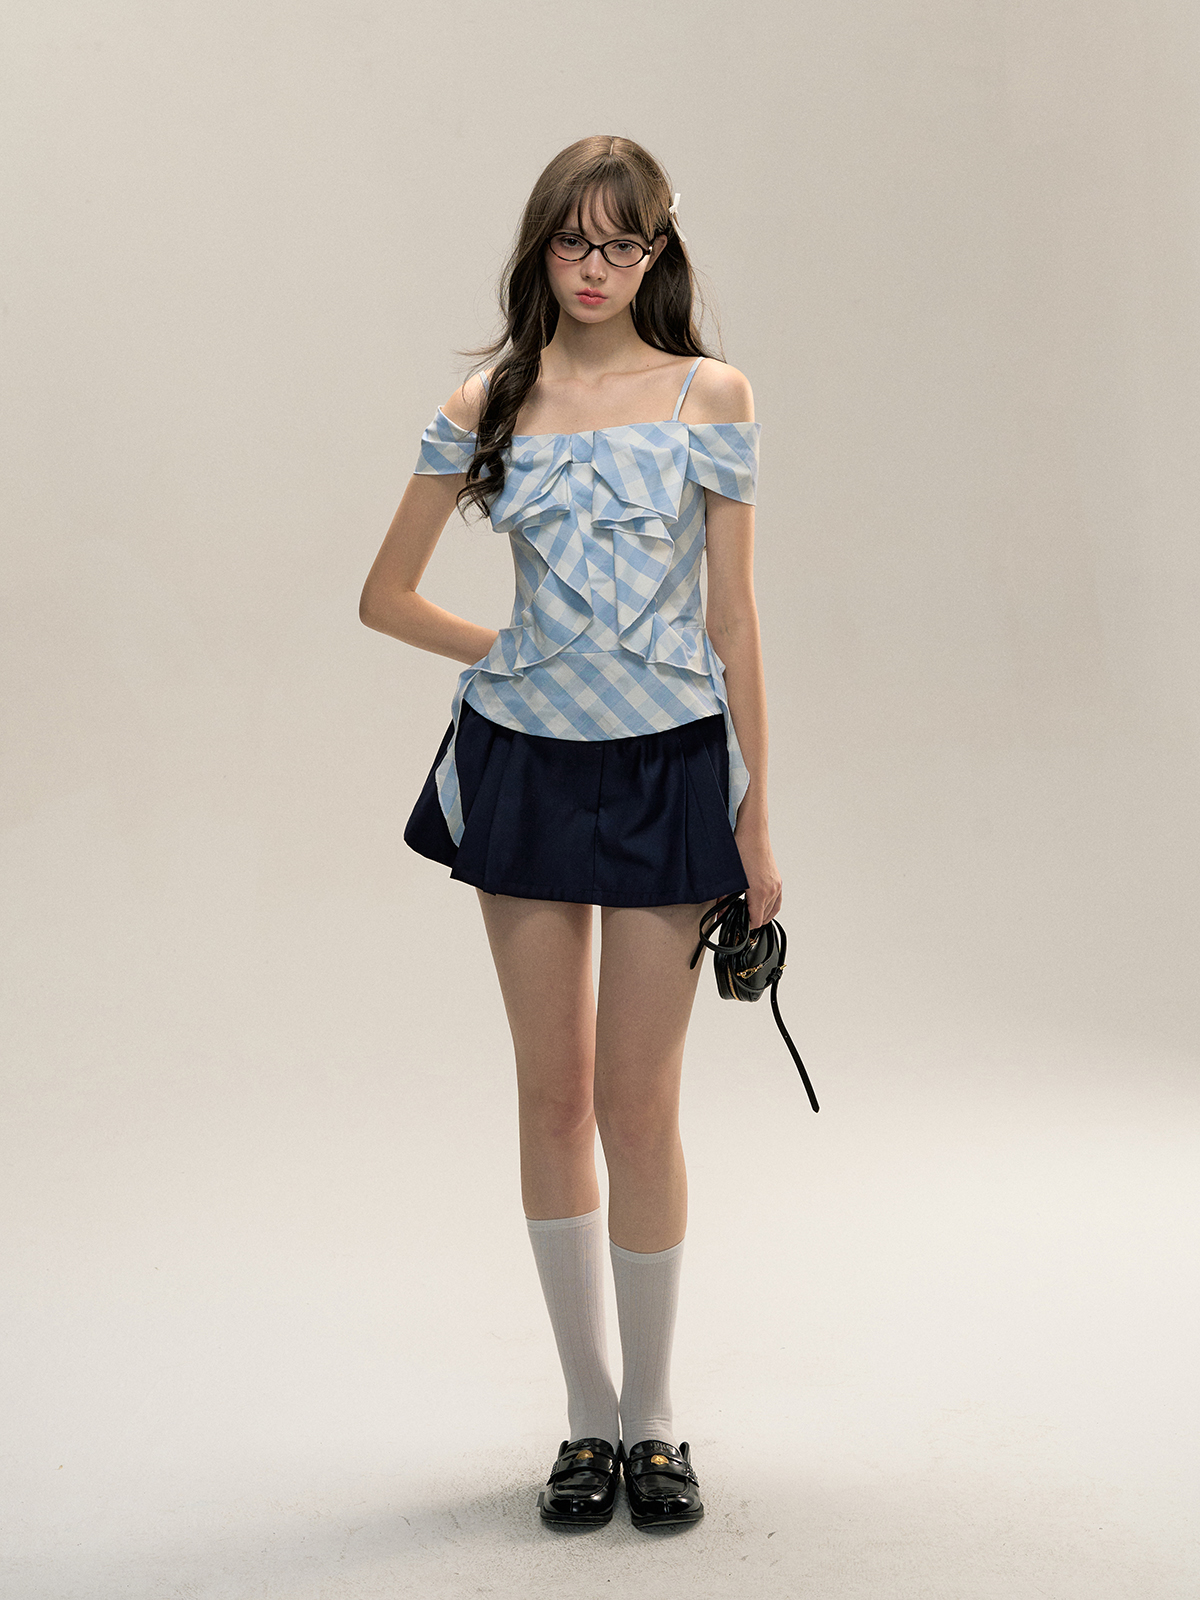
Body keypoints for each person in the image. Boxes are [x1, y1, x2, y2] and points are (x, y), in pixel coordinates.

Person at [359, 134, 781, 1530]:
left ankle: (655, 1419)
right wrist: (517, 655)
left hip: (670, 765)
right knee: (552, 1096)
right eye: (572, 242)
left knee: (637, 1104)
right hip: (528, 765)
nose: (596, 269)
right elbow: (384, 594)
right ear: (539, 247)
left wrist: (757, 820)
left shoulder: (710, 394)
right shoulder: (489, 401)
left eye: (623, 244)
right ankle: (586, 1416)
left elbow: (734, 620)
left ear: (657, 253)